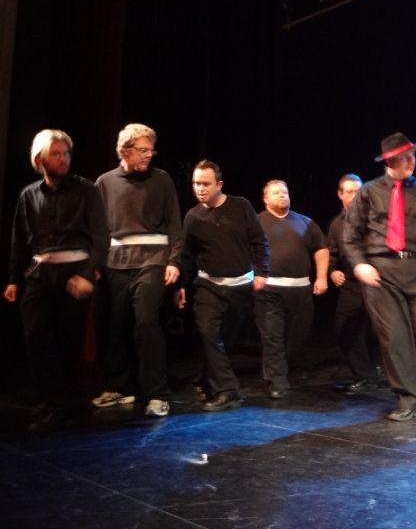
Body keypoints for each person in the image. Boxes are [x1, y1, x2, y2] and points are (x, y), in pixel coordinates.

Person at [343, 132, 416, 422]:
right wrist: (359, 264)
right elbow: (350, 235)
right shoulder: (369, 191)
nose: (411, 161)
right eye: (404, 157)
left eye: (412, 155)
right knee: (395, 337)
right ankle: (409, 397)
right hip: (381, 271)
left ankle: (399, 367)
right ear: (389, 161)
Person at [3, 129, 109, 432]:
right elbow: (19, 240)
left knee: (67, 341)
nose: (63, 159)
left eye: (66, 154)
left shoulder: (87, 191)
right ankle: (56, 400)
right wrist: (13, 278)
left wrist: (88, 274)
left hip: (75, 272)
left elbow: (101, 236)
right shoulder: (29, 195)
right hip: (40, 273)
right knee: (35, 336)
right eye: (56, 154)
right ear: (40, 159)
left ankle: (60, 405)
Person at [91, 123, 182, 417]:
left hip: (152, 260)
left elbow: (174, 224)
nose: (148, 155)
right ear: (125, 150)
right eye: (143, 150)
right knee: (114, 326)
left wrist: (174, 261)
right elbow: (97, 229)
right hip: (115, 263)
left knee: (146, 323)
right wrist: (95, 265)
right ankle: (119, 387)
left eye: (151, 150)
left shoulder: (162, 179)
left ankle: (156, 393)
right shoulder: (105, 182)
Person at [175, 160, 269, 412]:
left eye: (205, 184)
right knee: (208, 332)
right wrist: (181, 285)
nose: (200, 188)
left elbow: (259, 241)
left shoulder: (241, 206)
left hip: (240, 286)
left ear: (219, 184)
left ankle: (205, 378)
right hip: (208, 285)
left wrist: (262, 272)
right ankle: (228, 391)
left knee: (223, 341)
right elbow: (186, 256)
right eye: (196, 183)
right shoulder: (193, 216)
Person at [255, 180, 328, 399]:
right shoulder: (256, 222)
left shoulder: (305, 222)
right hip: (269, 288)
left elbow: (321, 249)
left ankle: (278, 370)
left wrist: (321, 277)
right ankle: (278, 382)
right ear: (265, 198)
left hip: (300, 289)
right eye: (276, 193)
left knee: (298, 334)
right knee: (273, 335)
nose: (282, 195)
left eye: (285, 192)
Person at [328, 174, 381, 394]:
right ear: (340, 194)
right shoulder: (336, 224)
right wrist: (332, 271)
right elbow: (331, 253)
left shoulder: (376, 219)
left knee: (377, 330)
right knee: (345, 328)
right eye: (349, 191)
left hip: (377, 283)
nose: (355, 195)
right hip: (351, 285)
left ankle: (374, 371)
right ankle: (364, 375)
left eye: (358, 191)